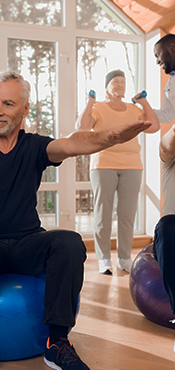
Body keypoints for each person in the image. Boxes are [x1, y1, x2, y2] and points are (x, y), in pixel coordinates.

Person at [0, 70, 152, 370]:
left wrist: (108, 138)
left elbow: (74, 144)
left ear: (24, 109)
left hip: (25, 244)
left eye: (7, 104)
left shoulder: (35, 146)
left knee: (69, 243)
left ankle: (56, 343)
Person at [76, 70, 160, 275]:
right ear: (107, 86)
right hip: (104, 162)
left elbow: (154, 126)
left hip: (132, 164)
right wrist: (89, 101)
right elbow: (82, 127)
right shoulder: (99, 107)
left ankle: (124, 258)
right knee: (103, 214)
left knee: (127, 215)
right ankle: (104, 258)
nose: (120, 84)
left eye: (123, 81)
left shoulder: (133, 109)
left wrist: (144, 102)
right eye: (115, 81)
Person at [152, 33, 175, 316]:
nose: (159, 62)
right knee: (166, 228)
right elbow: (167, 115)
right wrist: (143, 114)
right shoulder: (171, 83)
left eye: (160, 56)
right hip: (171, 227)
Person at [153, 33, 175, 123]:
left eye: (157, 54)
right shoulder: (169, 85)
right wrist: (139, 111)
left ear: (172, 48)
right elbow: (167, 115)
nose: (157, 61)